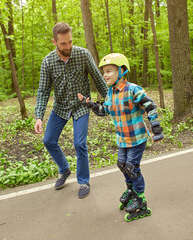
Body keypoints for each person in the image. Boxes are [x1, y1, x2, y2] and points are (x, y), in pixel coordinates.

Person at [77, 53, 163, 221]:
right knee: (122, 164)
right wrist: (90, 104)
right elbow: (105, 111)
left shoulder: (133, 89)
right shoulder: (111, 92)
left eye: (109, 71)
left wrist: (156, 129)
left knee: (132, 166)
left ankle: (140, 198)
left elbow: (150, 106)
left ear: (122, 71)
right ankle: (131, 190)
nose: (105, 75)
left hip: (137, 138)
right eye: (103, 72)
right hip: (123, 138)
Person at [34, 22, 108, 199]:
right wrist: (39, 116)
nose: (68, 47)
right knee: (49, 140)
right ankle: (64, 169)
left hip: (81, 107)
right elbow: (43, 91)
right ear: (54, 42)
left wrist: (112, 101)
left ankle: (83, 181)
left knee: (79, 144)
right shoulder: (48, 62)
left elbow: (98, 79)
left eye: (70, 42)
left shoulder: (82, 54)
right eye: (63, 43)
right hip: (60, 107)